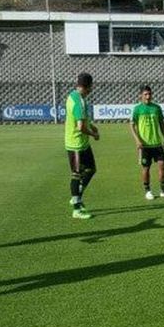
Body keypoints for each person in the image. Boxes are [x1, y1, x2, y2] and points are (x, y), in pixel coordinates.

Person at [130, 86, 164, 200]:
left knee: (163, 166)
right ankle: (148, 191)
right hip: (144, 146)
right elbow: (131, 125)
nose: (148, 96)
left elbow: (161, 124)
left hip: (157, 144)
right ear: (140, 96)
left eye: (149, 94)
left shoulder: (156, 108)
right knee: (146, 168)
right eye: (145, 94)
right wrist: (137, 140)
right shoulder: (137, 109)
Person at [65, 73, 99, 219]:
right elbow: (80, 127)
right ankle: (76, 209)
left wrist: (91, 125)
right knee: (77, 175)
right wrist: (93, 134)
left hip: (83, 143)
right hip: (76, 144)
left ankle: (77, 196)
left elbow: (82, 119)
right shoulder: (79, 102)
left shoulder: (72, 96)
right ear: (88, 86)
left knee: (91, 169)